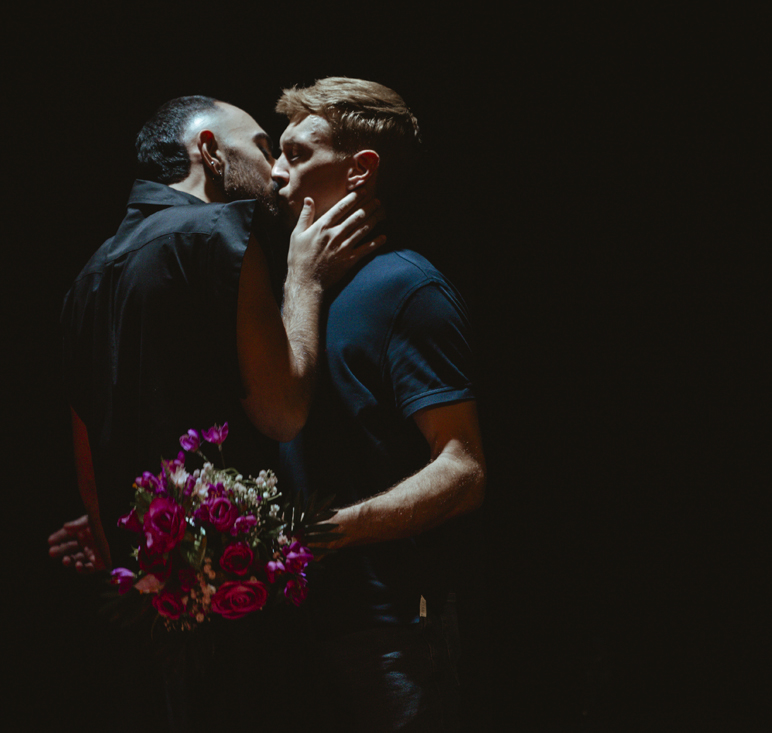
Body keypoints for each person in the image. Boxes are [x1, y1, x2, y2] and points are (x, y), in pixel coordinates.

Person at [49, 94, 384, 733]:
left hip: (155, 616)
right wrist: (305, 279)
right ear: (209, 151)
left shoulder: (85, 282)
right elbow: (283, 413)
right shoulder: (216, 232)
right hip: (244, 615)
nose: (275, 167)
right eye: (261, 146)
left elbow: (90, 475)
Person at [270, 77, 487, 731]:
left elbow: (464, 469)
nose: (276, 171)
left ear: (361, 169)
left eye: (298, 153)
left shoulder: (406, 287)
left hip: (389, 634)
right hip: (300, 626)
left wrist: (329, 532)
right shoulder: (300, 291)